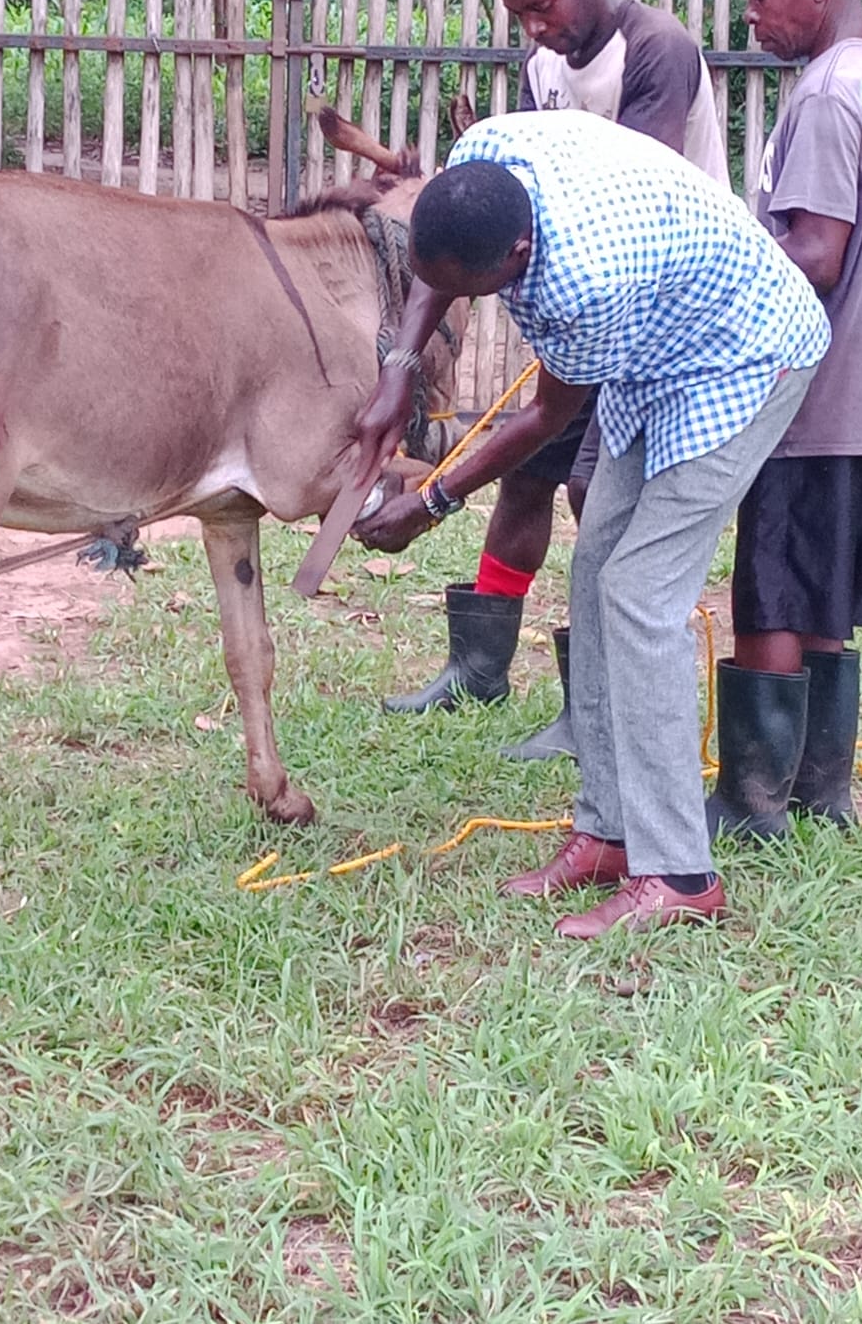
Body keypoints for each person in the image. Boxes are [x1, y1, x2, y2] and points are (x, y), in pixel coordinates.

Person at [352, 109, 829, 938]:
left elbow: (541, 421)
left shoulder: (583, 283)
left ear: (516, 260)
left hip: (747, 357)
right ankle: (609, 831)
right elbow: (436, 260)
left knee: (641, 595)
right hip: (663, 349)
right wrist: (399, 364)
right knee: (595, 569)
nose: (458, 299)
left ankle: (680, 873)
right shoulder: (480, 162)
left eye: (476, 288)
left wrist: (430, 504)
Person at [361, 0, 728, 771]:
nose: (536, 26)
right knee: (529, 474)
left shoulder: (658, 51)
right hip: (588, 292)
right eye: (521, 14)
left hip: (656, 307)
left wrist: (433, 497)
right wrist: (400, 366)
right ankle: (480, 667)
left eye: (546, 6)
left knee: (592, 496)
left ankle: (587, 703)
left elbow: (628, 199)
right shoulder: (544, 66)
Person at [705, 0, 862, 840]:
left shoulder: (832, 92)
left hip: (819, 397)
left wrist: (726, 257)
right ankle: (817, 793)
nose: (752, 17)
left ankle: (752, 804)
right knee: (822, 592)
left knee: (770, 585)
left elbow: (817, 252)